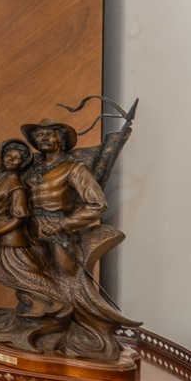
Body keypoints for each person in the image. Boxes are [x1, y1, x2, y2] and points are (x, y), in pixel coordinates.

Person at [19, 119, 137, 361]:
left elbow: (96, 204)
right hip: (28, 231)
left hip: (60, 232)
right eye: (39, 135)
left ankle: (86, 329)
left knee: (69, 280)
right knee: (29, 279)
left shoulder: (74, 169)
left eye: (49, 134)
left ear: (61, 139)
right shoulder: (31, 169)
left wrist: (63, 224)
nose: (43, 139)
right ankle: (39, 321)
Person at [0, 140, 69, 350]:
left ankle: (55, 309)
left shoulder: (17, 187)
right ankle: (30, 313)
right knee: (15, 278)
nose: (11, 160)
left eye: (17, 158)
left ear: (23, 163)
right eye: (8, 156)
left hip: (11, 240)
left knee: (27, 277)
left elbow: (18, 218)